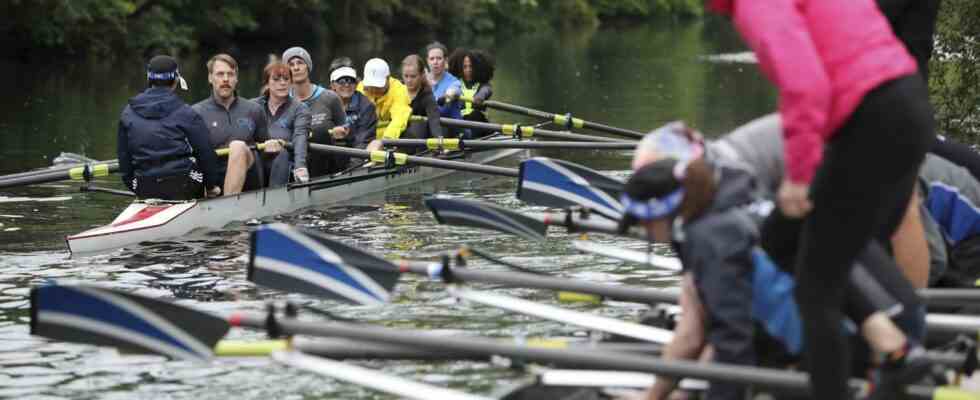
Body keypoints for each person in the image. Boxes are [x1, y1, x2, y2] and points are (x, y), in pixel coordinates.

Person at [707, 2, 935, 398]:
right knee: (781, 238)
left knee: (816, 289)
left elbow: (804, 84)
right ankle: (892, 347)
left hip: (875, 117)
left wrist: (799, 175)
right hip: (903, 107)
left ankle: (865, 368)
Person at [624, 124, 928, 400]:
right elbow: (705, 333)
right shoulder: (745, 191)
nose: (645, 231)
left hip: (853, 343)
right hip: (898, 314)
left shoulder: (709, 237)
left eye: (644, 223)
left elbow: (719, 343)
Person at [117, 55, 221, 200]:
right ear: (176, 80)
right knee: (202, 171)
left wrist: (134, 185)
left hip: (144, 186)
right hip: (182, 184)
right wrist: (211, 186)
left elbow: (124, 162)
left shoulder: (127, 112)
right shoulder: (186, 112)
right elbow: (206, 155)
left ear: (149, 79)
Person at [192, 53, 277, 195]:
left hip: (249, 182)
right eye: (220, 74)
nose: (225, 79)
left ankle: (228, 204)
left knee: (237, 146)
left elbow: (265, 157)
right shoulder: (195, 113)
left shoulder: (254, 110)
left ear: (236, 79)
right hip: (212, 185)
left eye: (230, 74)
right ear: (210, 78)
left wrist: (271, 152)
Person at [281, 46, 346, 177]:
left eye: (300, 63)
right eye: (291, 64)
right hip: (291, 164)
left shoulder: (330, 98)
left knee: (321, 133)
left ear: (308, 67)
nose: (296, 68)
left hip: (326, 165)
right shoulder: (281, 100)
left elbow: (346, 130)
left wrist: (342, 134)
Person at [252, 58, 311, 187]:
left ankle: (277, 196)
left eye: (286, 79)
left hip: (285, 162)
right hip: (258, 159)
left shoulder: (300, 108)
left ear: (291, 83)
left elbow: (300, 136)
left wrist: (300, 166)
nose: (282, 83)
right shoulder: (253, 106)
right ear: (266, 84)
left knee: (283, 153)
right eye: (276, 79)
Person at [327, 63, 377, 170]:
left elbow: (363, 141)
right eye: (342, 81)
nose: (347, 85)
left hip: (356, 159)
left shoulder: (367, 106)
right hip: (329, 155)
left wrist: (351, 168)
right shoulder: (323, 103)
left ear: (356, 84)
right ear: (332, 85)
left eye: (351, 81)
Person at [357, 58, 412, 152]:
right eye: (371, 86)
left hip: (388, 139)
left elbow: (399, 118)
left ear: (387, 78)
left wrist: (384, 141)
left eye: (378, 86)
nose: (374, 90)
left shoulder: (400, 91)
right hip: (364, 138)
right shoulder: (360, 88)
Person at [401, 54, 443, 142]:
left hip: (418, 138)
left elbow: (434, 121)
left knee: (417, 124)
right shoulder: (397, 91)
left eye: (413, 76)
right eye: (406, 76)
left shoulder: (427, 96)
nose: (409, 80)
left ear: (422, 74)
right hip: (397, 136)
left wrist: (439, 139)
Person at [447, 48, 494, 125]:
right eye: (465, 67)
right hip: (459, 122)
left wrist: (480, 96)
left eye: (471, 66)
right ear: (460, 68)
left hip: (479, 123)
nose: (468, 70)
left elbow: (486, 90)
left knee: (475, 115)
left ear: (478, 67)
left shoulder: (484, 85)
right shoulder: (455, 83)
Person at [425, 42, 463, 127]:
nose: (435, 62)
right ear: (427, 61)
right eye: (432, 59)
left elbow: (454, 90)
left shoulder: (454, 82)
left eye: (439, 58)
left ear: (445, 60)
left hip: (451, 128)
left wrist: (447, 95)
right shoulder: (421, 81)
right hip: (430, 125)